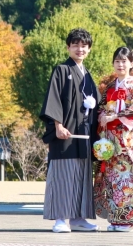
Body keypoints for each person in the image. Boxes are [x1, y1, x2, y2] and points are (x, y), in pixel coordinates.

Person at [39, 28, 101, 233]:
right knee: (63, 176)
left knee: (81, 177)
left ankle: (78, 218)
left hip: (83, 135)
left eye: (84, 46)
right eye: (75, 45)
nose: (80, 49)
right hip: (65, 133)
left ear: (89, 49)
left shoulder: (88, 75)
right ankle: (60, 219)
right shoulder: (61, 70)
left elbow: (97, 104)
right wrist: (57, 125)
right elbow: (54, 99)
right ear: (68, 47)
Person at [94, 47, 133, 232]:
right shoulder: (111, 87)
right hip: (111, 142)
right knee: (112, 180)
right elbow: (101, 107)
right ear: (113, 63)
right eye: (117, 61)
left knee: (127, 180)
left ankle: (128, 222)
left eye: (124, 61)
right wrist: (103, 115)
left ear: (131, 64)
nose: (120, 64)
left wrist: (113, 116)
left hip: (129, 141)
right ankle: (115, 220)